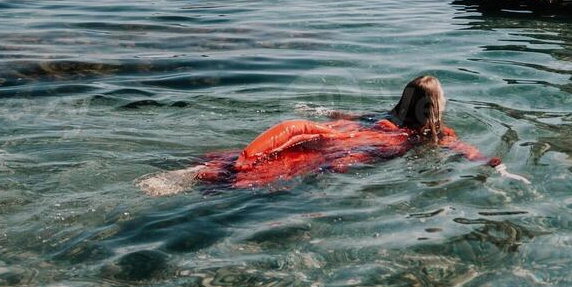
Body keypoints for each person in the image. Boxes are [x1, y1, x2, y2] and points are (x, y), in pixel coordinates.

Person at [136, 76, 527, 195]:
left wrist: (323, 113)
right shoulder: (430, 137)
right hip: (342, 148)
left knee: (276, 152)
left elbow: (346, 116)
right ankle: (202, 175)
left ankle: (195, 170)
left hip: (339, 138)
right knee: (259, 169)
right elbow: (467, 152)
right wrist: (499, 166)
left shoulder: (384, 118)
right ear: (434, 109)